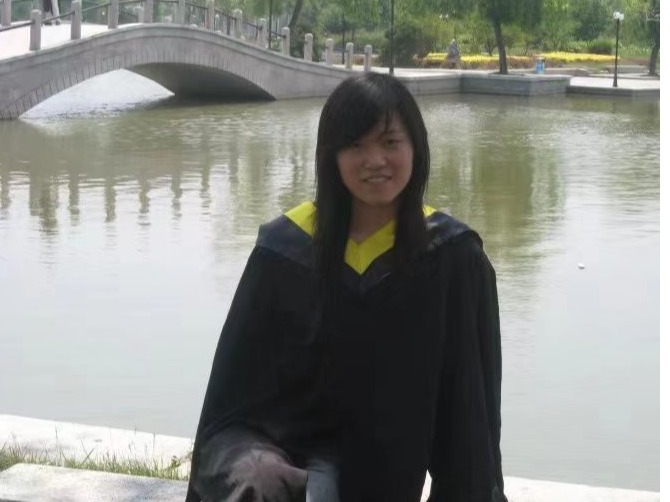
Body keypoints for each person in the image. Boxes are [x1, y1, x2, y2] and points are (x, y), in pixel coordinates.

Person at [186, 72, 507, 502]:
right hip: (285, 455)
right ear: (331, 156)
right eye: (355, 145)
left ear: (416, 148)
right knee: (258, 477)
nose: (375, 160)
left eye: (390, 142)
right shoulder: (285, 249)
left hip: (392, 461)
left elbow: (470, 409)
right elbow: (231, 402)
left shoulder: (451, 256)